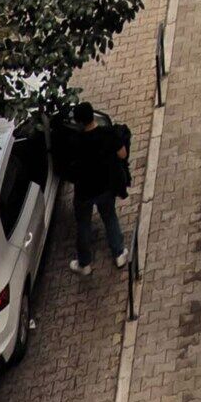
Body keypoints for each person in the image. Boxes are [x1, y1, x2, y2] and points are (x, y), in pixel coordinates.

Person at [65, 102, 132, 275]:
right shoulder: (108, 134)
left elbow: (70, 167)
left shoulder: (75, 141)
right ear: (93, 116)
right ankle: (119, 253)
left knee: (83, 225)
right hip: (105, 186)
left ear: (79, 122)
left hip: (84, 191)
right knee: (109, 217)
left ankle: (84, 263)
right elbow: (122, 154)